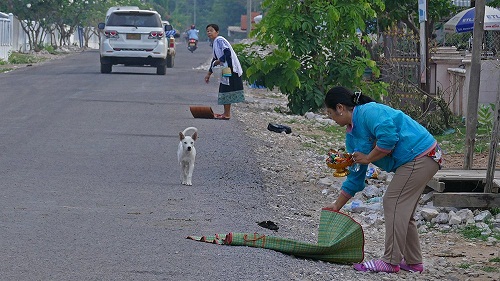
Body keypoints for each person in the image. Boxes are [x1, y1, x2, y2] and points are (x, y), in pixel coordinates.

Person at [323, 86, 442, 273]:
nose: (332, 119)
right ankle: (413, 262)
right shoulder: (352, 136)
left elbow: (388, 137)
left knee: (392, 202)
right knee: (403, 210)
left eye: (331, 114)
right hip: (418, 158)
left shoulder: (369, 111)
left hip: (421, 154)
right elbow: (356, 176)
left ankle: (390, 261)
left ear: (340, 108)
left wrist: (369, 157)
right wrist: (337, 205)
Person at [204, 24, 244, 120]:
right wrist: (209, 73)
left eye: (211, 30)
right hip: (225, 69)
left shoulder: (220, 40)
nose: (209, 32)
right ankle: (226, 113)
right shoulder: (215, 43)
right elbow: (214, 59)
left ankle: (227, 114)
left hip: (229, 69)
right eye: (207, 31)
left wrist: (220, 60)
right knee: (225, 89)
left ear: (217, 32)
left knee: (226, 89)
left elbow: (227, 52)